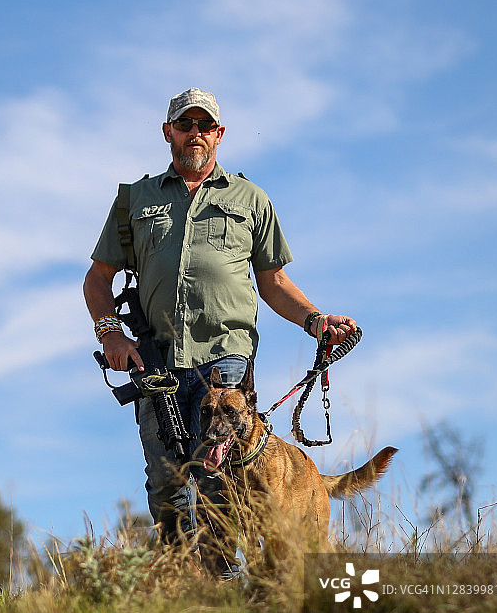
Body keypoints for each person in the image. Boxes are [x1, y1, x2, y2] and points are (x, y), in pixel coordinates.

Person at [84, 87, 356, 559]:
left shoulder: (251, 198)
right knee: (167, 491)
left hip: (225, 363)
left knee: (220, 489)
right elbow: (97, 278)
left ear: (220, 134)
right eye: (185, 125)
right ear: (168, 132)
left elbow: (273, 282)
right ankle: (188, 597)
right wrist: (109, 331)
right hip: (157, 365)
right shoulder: (135, 201)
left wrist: (316, 321)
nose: (195, 134)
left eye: (204, 126)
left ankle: (227, 595)